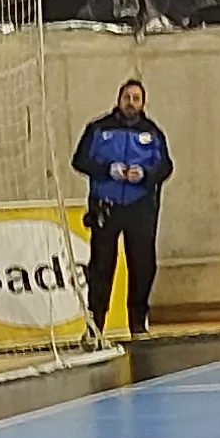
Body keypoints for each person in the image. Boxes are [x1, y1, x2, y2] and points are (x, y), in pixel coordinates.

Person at [69, 77, 172, 340]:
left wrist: (146, 174)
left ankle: (138, 323)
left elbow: (165, 167)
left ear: (143, 102)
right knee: (102, 267)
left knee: (142, 266)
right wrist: (107, 170)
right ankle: (95, 326)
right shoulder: (98, 128)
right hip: (107, 207)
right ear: (119, 99)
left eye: (136, 98)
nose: (131, 103)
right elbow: (79, 160)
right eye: (127, 97)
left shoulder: (153, 132)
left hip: (140, 208)